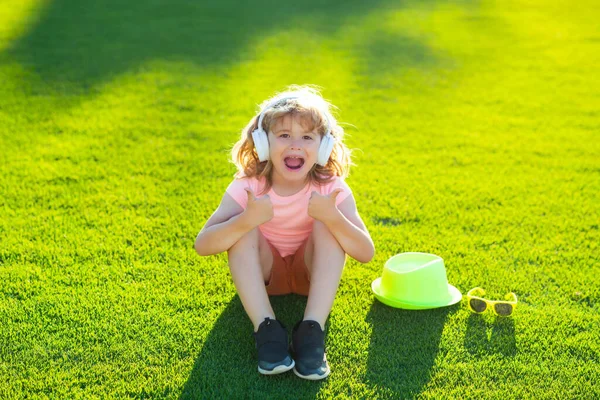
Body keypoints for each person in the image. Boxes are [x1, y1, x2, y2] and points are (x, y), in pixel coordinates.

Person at [194, 85, 374, 380]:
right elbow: (203, 244)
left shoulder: (332, 187)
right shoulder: (248, 186)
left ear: (323, 146)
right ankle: (266, 329)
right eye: (284, 136)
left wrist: (333, 217)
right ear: (263, 142)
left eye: (307, 137)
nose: (295, 146)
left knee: (327, 226)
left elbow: (365, 253)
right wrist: (246, 219)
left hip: (309, 276)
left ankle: (312, 329)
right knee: (244, 227)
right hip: (267, 278)